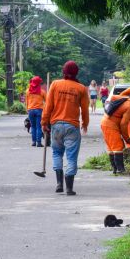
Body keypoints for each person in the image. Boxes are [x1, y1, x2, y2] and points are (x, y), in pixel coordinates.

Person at [42, 61, 89, 196]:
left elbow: (48, 106)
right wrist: (85, 123)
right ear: (76, 72)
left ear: (64, 71)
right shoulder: (81, 88)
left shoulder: (55, 84)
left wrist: (44, 122)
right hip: (72, 126)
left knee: (57, 153)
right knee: (71, 157)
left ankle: (59, 184)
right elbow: (85, 109)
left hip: (56, 125)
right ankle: (69, 188)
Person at [100, 89, 130, 174]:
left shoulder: (127, 99)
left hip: (105, 122)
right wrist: (126, 138)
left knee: (112, 147)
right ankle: (120, 169)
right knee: (118, 146)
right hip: (110, 124)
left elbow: (113, 97)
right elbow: (123, 124)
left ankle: (115, 169)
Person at [25, 76, 46, 147]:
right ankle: (39, 142)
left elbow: (26, 102)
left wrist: (27, 109)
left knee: (33, 126)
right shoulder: (42, 92)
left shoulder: (28, 91)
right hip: (39, 111)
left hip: (30, 110)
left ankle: (34, 142)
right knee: (39, 127)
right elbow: (47, 101)